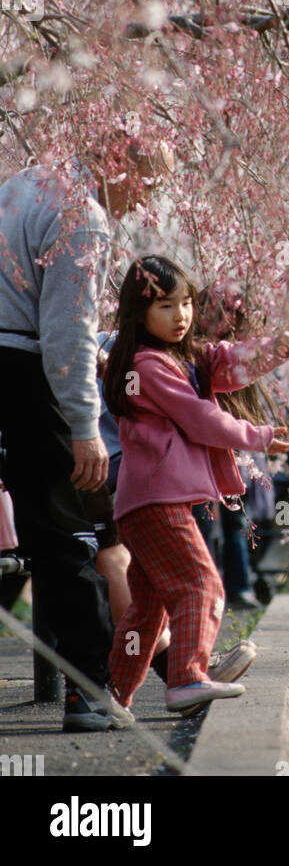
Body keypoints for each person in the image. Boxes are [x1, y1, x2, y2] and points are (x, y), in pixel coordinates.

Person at [0, 128, 173, 731]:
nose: (146, 199)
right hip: (25, 373)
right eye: (146, 181)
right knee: (65, 533)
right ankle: (89, 689)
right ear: (116, 163)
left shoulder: (25, 182)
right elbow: (65, 332)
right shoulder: (84, 219)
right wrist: (83, 425)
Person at [102, 256, 289, 715]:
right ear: (139, 313)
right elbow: (200, 418)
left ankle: (112, 696)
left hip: (145, 502)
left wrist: (276, 348)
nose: (181, 316)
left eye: (187, 303)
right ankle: (188, 677)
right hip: (156, 501)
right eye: (166, 306)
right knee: (202, 584)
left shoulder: (183, 357)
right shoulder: (146, 366)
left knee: (147, 610)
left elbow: (228, 362)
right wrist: (258, 436)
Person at [193, 284, 285, 610]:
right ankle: (207, 592)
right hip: (204, 443)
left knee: (234, 518)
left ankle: (237, 585)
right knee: (203, 519)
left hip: (235, 442)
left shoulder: (239, 353)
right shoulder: (200, 353)